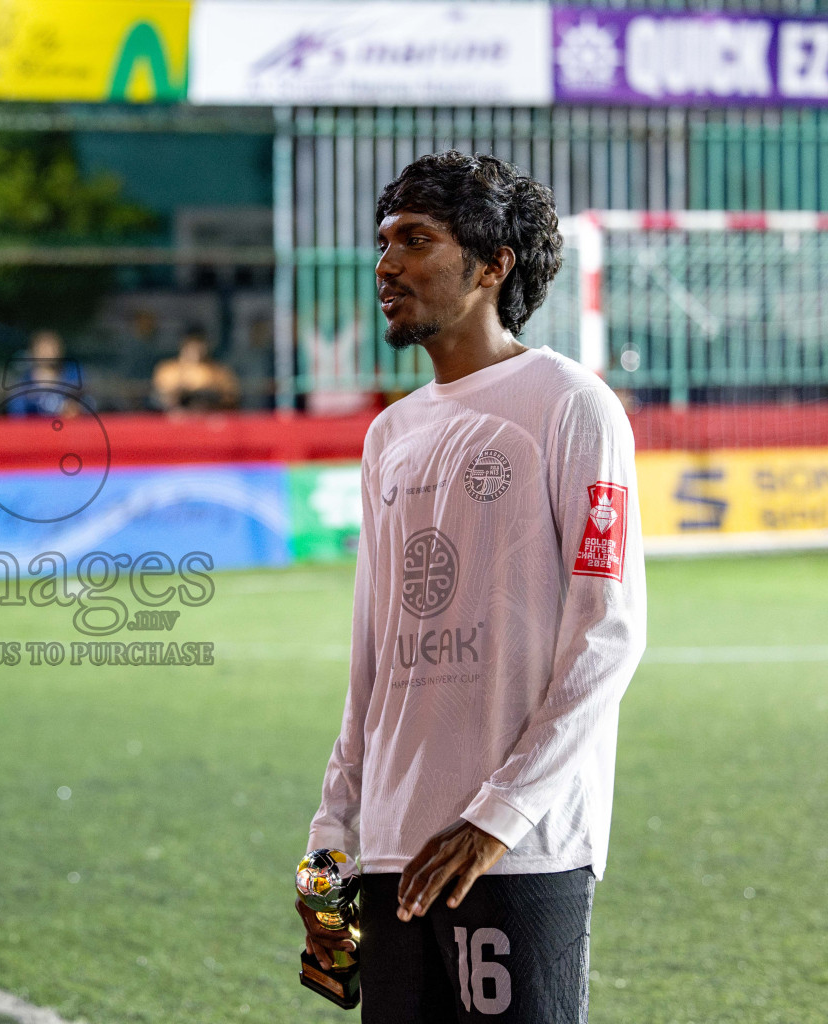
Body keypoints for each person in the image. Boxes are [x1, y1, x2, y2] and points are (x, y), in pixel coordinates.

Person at [297, 152, 646, 1023]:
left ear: (495, 266)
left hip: (516, 854)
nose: (387, 265)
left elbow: (608, 633)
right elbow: (374, 663)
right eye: (383, 243)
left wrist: (499, 816)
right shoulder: (389, 435)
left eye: (416, 240)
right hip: (387, 857)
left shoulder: (571, 405)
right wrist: (330, 845)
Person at [151, 329, 239, 411]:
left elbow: (231, 396)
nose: (195, 349)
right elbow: (159, 397)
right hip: (173, 418)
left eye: (199, 345)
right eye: (190, 345)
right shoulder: (167, 369)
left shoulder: (218, 371)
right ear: (183, 345)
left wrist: (208, 393)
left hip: (208, 416)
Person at [6, 329, 83, 417]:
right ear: (33, 351)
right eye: (43, 348)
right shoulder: (23, 389)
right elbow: (17, 418)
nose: (48, 353)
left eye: (53, 348)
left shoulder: (74, 378)